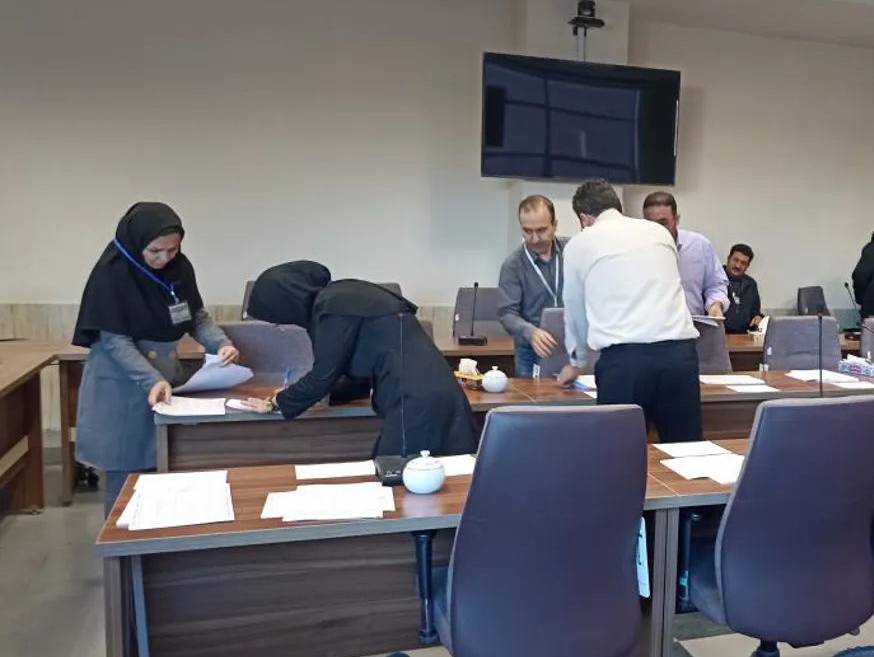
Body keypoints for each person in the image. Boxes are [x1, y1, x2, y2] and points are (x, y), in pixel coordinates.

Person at [72, 202, 238, 514]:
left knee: (163, 467)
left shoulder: (179, 268)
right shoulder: (113, 273)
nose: (164, 258)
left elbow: (195, 316)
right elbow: (115, 341)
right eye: (155, 251)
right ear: (136, 243)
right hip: (122, 384)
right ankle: (122, 542)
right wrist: (152, 379)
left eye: (172, 250)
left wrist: (221, 345)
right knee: (126, 475)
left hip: (163, 381)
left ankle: (156, 540)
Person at [244, 261, 476, 457]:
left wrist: (277, 402)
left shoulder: (332, 307)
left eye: (276, 316)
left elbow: (322, 376)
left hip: (415, 402)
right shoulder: (347, 294)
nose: (278, 324)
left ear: (285, 301)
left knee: (395, 476)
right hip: (433, 393)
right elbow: (356, 376)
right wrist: (323, 395)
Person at [560, 180, 702, 441]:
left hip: (625, 363)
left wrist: (576, 363)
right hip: (679, 357)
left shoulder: (580, 244)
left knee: (619, 452)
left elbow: (575, 312)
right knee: (686, 449)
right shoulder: (659, 233)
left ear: (585, 218)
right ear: (618, 206)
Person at [498, 195, 568, 376]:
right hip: (531, 352)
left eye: (541, 230)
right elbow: (507, 313)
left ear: (555, 225)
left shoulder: (573, 251)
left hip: (573, 348)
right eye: (527, 231)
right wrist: (530, 332)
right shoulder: (513, 265)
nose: (535, 239)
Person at [641, 191, 727, 319]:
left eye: (663, 223)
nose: (657, 229)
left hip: (693, 325)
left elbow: (716, 284)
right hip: (651, 326)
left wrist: (715, 304)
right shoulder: (636, 250)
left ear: (676, 220)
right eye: (650, 224)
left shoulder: (700, 246)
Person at [722, 243, 763, 333]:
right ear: (728, 259)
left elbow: (755, 312)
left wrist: (757, 317)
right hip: (717, 335)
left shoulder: (751, 284)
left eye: (743, 263)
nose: (738, 266)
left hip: (744, 336)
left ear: (747, 266)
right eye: (735, 260)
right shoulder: (715, 279)